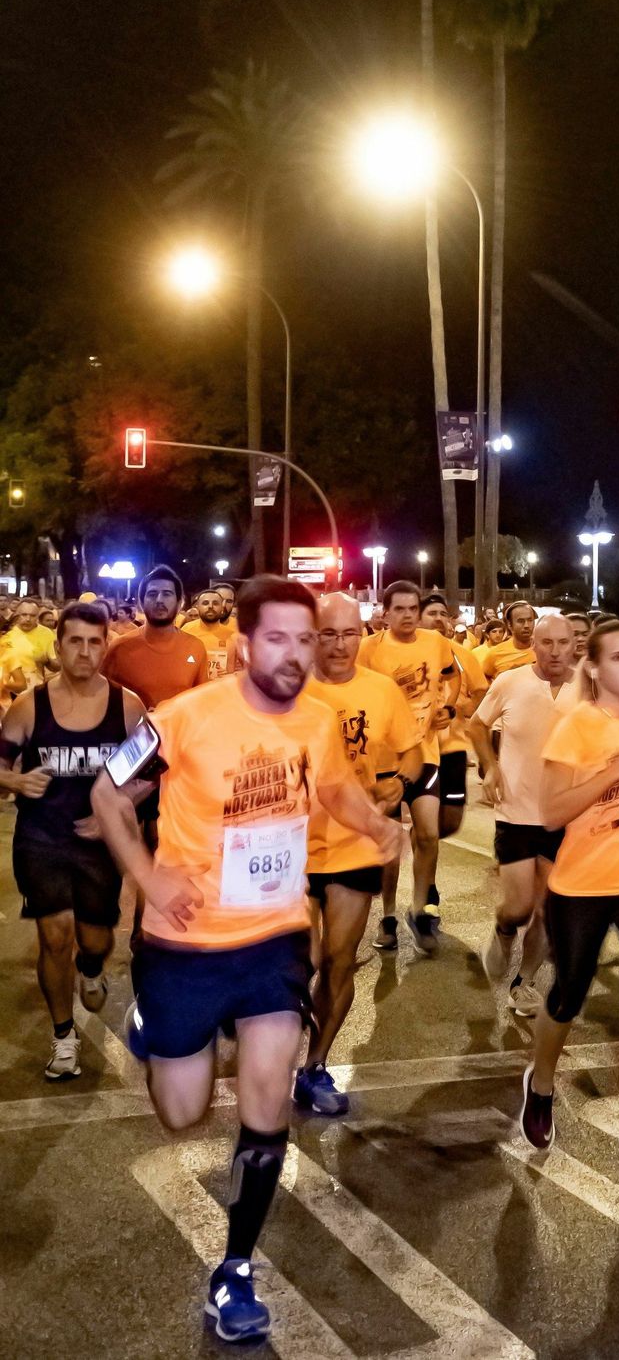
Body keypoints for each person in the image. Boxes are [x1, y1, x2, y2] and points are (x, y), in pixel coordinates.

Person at [91, 576, 401, 1345]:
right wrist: (148, 876)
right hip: (184, 943)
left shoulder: (318, 719)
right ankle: (152, 1022)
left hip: (272, 936)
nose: (295, 654)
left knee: (267, 1096)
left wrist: (375, 823)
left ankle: (234, 1270)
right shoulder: (182, 717)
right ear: (243, 645)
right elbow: (106, 793)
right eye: (278, 639)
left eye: (305, 639)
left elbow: (334, 788)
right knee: (182, 1110)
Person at [519, 621, 619, 1179]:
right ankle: (541, 1083)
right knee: (568, 993)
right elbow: (551, 813)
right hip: (582, 884)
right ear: (593, 667)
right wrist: (616, 769)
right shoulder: (575, 726)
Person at [0, 599, 144, 1079]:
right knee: (54, 935)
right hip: (41, 839)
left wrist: (112, 814)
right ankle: (63, 1037)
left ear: (105, 647)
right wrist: (15, 781)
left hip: (98, 844)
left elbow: (153, 773)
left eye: (94, 642)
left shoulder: (127, 706)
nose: (84, 651)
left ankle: (92, 967)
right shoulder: (29, 706)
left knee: (94, 939)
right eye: (75, 641)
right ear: (58, 647)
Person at [297, 592, 424, 1116]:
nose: (340, 644)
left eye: (349, 633)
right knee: (298, 963)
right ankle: (271, 1040)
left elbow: (413, 751)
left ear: (362, 633)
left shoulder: (381, 689)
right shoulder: (290, 686)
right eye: (328, 634)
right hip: (292, 846)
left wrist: (400, 782)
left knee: (338, 961)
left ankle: (315, 1066)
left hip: (354, 843)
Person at [468, 613, 577, 1017]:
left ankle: (524, 982)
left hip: (564, 815)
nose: (555, 651)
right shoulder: (510, 681)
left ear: (574, 645)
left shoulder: (589, 688)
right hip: (515, 810)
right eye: (547, 643)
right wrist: (490, 767)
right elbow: (477, 725)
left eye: (563, 643)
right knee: (518, 906)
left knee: (548, 909)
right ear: (534, 645)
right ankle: (503, 930)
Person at [358, 579, 460, 956]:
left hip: (424, 752)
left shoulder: (435, 642)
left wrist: (448, 707)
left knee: (428, 834)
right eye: (398, 609)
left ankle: (419, 910)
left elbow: (453, 675)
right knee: (389, 845)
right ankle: (387, 917)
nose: (407, 615)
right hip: (382, 761)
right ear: (385, 614)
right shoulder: (368, 649)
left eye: (412, 608)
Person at [422, 591, 485, 857]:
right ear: (418, 619)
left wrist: (466, 709)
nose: (438, 619)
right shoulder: (405, 655)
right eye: (431, 613)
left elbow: (481, 690)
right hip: (417, 750)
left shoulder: (462, 655)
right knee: (424, 825)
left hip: (453, 750)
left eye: (443, 614)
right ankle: (423, 858)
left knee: (450, 821)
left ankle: (420, 839)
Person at [106, 567, 208, 711]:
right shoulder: (119, 648)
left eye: (167, 594)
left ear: (180, 602)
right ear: (141, 602)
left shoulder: (195, 647)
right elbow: (103, 700)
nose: (159, 600)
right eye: (152, 594)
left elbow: (201, 703)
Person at [181, 587, 237, 681]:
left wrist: (232, 675)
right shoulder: (186, 630)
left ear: (222, 608)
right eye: (205, 603)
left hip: (222, 687)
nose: (210, 606)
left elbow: (247, 669)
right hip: (193, 688)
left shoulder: (233, 636)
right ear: (197, 607)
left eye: (215, 603)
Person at [1, 594, 55, 682]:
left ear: (38, 616)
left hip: (36, 686)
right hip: (7, 687)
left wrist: (46, 660)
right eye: (24, 615)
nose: (28, 619)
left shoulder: (47, 633)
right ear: (17, 614)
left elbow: (56, 667)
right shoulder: (6, 633)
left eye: (32, 615)